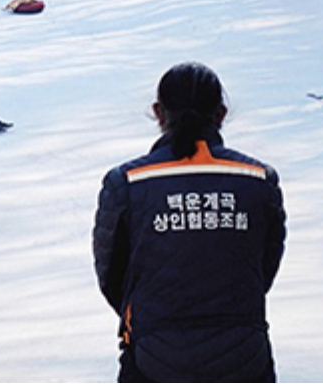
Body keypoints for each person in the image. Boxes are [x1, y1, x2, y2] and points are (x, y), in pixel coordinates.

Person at [93, 62, 286, 382]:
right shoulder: (259, 180)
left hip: (153, 356)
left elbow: (112, 274)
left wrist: (154, 321)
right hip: (244, 356)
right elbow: (264, 266)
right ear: (221, 114)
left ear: (158, 112)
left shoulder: (127, 182)